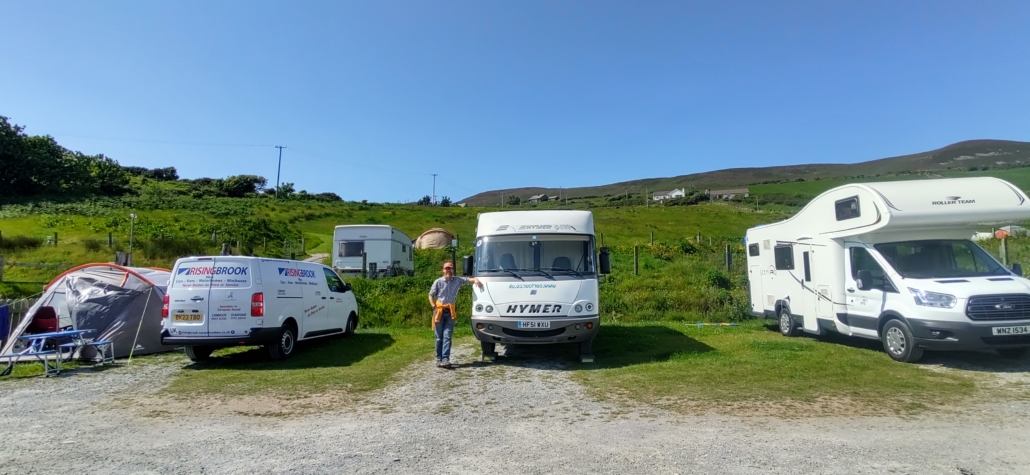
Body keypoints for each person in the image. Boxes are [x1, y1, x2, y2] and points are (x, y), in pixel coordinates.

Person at [428, 262, 481, 368]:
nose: (449, 271)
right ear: (443, 270)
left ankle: (446, 359)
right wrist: (433, 306)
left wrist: (475, 280)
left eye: (450, 269)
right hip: (439, 311)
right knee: (439, 337)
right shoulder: (438, 282)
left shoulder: (457, 280)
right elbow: (430, 295)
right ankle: (439, 358)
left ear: (452, 270)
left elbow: (467, 280)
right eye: (447, 269)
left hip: (450, 312)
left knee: (447, 336)